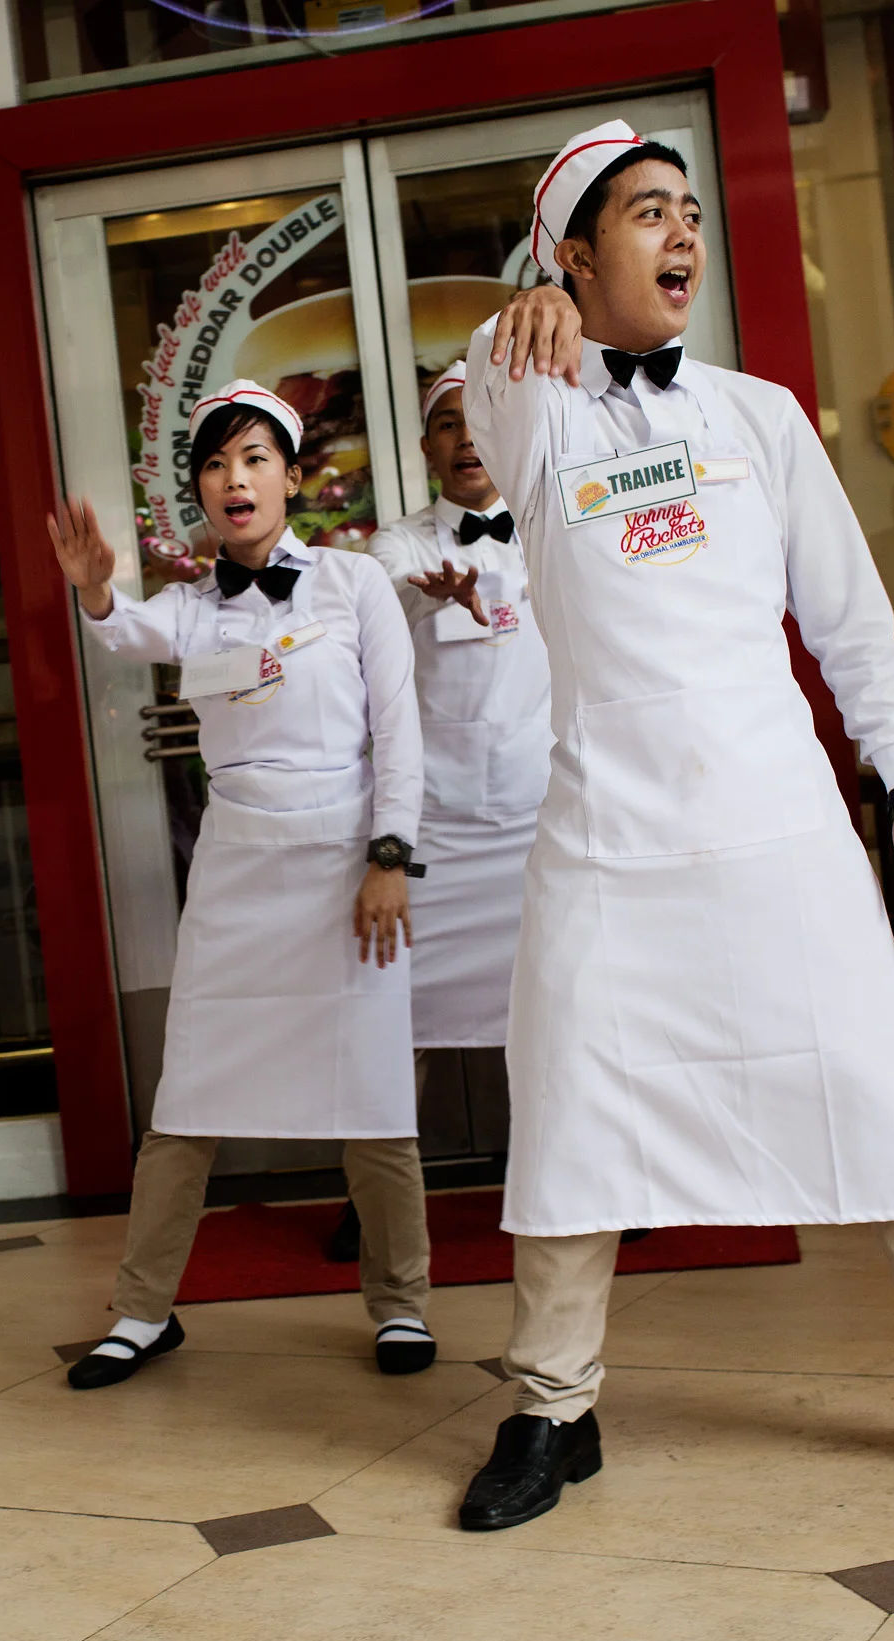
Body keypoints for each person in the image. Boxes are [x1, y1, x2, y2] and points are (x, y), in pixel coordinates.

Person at [442, 123, 894, 1530]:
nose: (681, 233)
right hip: (605, 841)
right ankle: (551, 1408)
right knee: (574, 1111)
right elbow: (487, 389)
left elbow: (849, 618)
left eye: (688, 211)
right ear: (573, 256)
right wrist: (509, 320)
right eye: (645, 214)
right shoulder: (529, 408)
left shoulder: (759, 418)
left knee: (884, 1088)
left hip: (778, 824)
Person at [47, 380, 438, 1385]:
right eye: (217, 464)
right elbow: (126, 630)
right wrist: (94, 590)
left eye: (256, 458)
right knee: (189, 1095)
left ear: (292, 478)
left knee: (374, 1089)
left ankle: (400, 1302)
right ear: (203, 493)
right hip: (235, 873)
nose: (236, 478)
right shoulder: (189, 606)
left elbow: (398, 734)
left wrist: (388, 858)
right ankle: (140, 1310)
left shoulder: (355, 586)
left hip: (346, 863)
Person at [364, 360, 549, 1136]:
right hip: (435, 826)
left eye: (478, 419)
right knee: (394, 1016)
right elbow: (373, 623)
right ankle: (380, 1206)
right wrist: (425, 594)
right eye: (449, 423)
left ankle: (564, 1179)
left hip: (539, 822)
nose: (467, 436)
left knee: (556, 1009)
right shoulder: (396, 545)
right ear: (427, 448)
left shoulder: (550, 531)